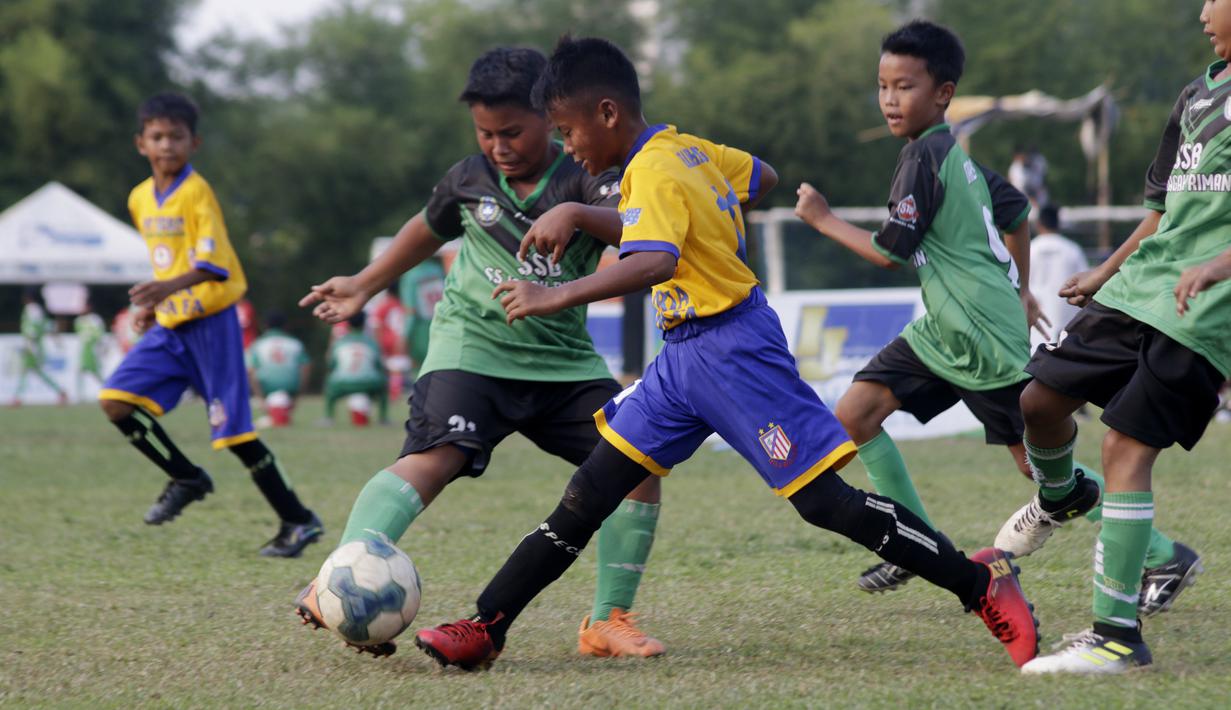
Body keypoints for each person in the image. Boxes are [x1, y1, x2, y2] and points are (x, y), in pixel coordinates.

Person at [412, 35, 1039, 672]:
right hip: (682, 356)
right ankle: (485, 626)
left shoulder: (652, 169)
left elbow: (654, 259)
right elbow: (758, 177)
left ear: (606, 113)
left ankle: (980, 584)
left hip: (735, 350)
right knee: (588, 493)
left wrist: (560, 293)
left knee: (825, 503)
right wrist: (697, 215)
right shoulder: (684, 148)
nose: (567, 148)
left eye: (568, 132)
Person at [792, 22, 1190, 607]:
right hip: (940, 332)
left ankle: (1163, 554)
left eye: (904, 86)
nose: (889, 100)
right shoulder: (954, 158)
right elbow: (1017, 211)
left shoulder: (924, 159)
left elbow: (887, 253)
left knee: (1041, 472)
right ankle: (913, 544)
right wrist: (1022, 290)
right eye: (882, 86)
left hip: (981, 336)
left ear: (943, 93)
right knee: (855, 413)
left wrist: (823, 218)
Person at [296, 47, 665, 659]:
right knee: (434, 457)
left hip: (564, 364)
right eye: (485, 133)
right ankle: (338, 577)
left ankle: (607, 621)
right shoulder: (469, 178)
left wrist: (577, 216)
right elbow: (426, 226)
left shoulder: (585, 174)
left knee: (637, 464)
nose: (497, 145)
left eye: (512, 131)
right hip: (470, 352)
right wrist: (364, 283)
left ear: (551, 118)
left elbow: (635, 226)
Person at [1001, 1, 1231, 674]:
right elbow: (1160, 210)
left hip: (1206, 303)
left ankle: (1115, 636)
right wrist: (1105, 271)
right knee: (1038, 405)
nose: (1200, 12)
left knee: (1124, 444)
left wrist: (1219, 263)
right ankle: (1063, 496)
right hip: (1142, 286)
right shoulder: (1197, 92)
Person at [98, 92, 322, 558]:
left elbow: (212, 266)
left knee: (236, 434)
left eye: (175, 136)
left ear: (193, 142)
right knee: (115, 401)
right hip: (172, 324)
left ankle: (298, 521)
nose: (166, 145)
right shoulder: (140, 198)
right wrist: (156, 305)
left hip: (213, 324)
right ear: (140, 143)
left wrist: (164, 291)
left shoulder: (196, 192)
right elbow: (170, 263)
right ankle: (185, 476)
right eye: (156, 137)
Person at [1028, 204, 1088, 351]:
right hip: (1067, 320)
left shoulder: (1029, 249)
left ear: (1038, 224)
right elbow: (1087, 285)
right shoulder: (1073, 250)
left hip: (1036, 319)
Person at [321, 311, 388, 425]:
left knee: (329, 387)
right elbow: (379, 366)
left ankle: (329, 417)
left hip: (342, 384)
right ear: (364, 324)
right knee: (383, 388)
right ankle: (383, 419)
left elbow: (331, 365)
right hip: (369, 383)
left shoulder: (339, 342)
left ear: (347, 324)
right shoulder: (372, 342)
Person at [247, 312, 311, 427]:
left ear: (265, 326)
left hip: (266, 387)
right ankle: (279, 413)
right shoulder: (295, 343)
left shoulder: (257, 344)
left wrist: (259, 397)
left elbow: (251, 370)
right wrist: (299, 394)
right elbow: (306, 367)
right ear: (286, 326)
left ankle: (272, 413)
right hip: (291, 386)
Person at [12, 287, 68, 406]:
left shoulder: (31, 309)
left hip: (33, 346)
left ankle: (17, 398)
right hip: (34, 345)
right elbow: (46, 325)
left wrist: (30, 345)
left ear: (27, 297)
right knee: (34, 372)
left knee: (27, 371)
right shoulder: (37, 309)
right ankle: (61, 392)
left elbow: (33, 328)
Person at [397, 256, 445, 379]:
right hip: (443, 326)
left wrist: (404, 337)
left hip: (421, 331)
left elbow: (411, 312)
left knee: (421, 374)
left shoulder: (410, 275)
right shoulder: (438, 270)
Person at [74, 297, 108, 394]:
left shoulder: (95, 319)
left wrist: (101, 347)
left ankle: (108, 390)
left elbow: (99, 334)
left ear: (89, 307)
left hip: (93, 349)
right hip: (83, 349)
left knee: (95, 373)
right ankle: (79, 395)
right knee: (80, 371)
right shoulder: (79, 320)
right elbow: (79, 334)